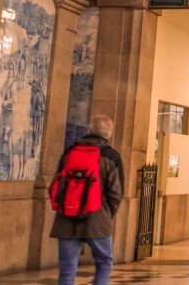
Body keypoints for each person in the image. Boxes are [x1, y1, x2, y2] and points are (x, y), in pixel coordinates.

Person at [51, 115, 125, 285]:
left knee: (67, 269)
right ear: (109, 134)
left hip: (66, 217)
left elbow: (55, 186)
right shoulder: (111, 156)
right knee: (104, 262)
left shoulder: (70, 152)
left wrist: (66, 206)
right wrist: (107, 215)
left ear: (89, 130)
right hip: (97, 219)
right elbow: (116, 193)